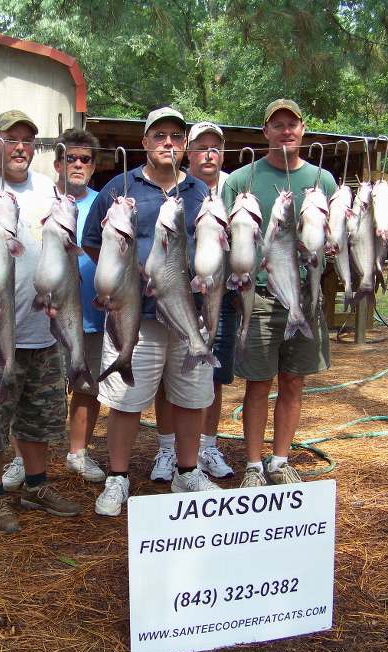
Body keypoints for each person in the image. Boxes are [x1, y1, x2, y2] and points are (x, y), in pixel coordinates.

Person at [82, 106, 220, 518]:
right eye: (158, 135)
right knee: (126, 400)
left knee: (192, 398)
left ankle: (187, 470)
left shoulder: (199, 191)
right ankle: (118, 477)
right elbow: (93, 241)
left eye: (176, 137)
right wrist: (123, 277)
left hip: (186, 313)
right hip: (133, 317)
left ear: (185, 145)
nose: (168, 143)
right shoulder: (119, 188)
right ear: (145, 142)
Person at [0, 110, 81, 533]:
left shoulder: (48, 190)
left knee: (40, 415)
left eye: (28, 140)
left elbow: (62, 252)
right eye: (12, 139)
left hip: (43, 331)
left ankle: (36, 484)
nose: (21, 147)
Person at [221, 99, 336, 487]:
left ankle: (280, 459)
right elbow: (224, 239)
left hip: (305, 295)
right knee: (258, 382)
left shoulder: (323, 181)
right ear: (265, 131)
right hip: (261, 297)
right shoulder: (240, 181)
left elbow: (330, 240)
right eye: (277, 125)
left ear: (303, 129)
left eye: (293, 124)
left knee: (293, 381)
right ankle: (253, 465)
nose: (286, 130)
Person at [1, 128, 106, 488]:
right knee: (30, 390)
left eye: (85, 159)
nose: (77, 164)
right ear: (58, 163)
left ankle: (78, 452)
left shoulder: (105, 201)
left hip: (91, 316)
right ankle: (21, 458)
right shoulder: (40, 197)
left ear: (94, 166)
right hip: (38, 316)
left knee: (86, 386)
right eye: (70, 158)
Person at [151, 121, 237, 482]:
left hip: (223, 295)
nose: (209, 154)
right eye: (201, 147)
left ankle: (208, 445)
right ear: (190, 150)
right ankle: (168, 450)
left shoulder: (235, 188)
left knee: (212, 377)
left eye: (215, 147)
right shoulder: (183, 189)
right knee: (167, 381)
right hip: (182, 300)